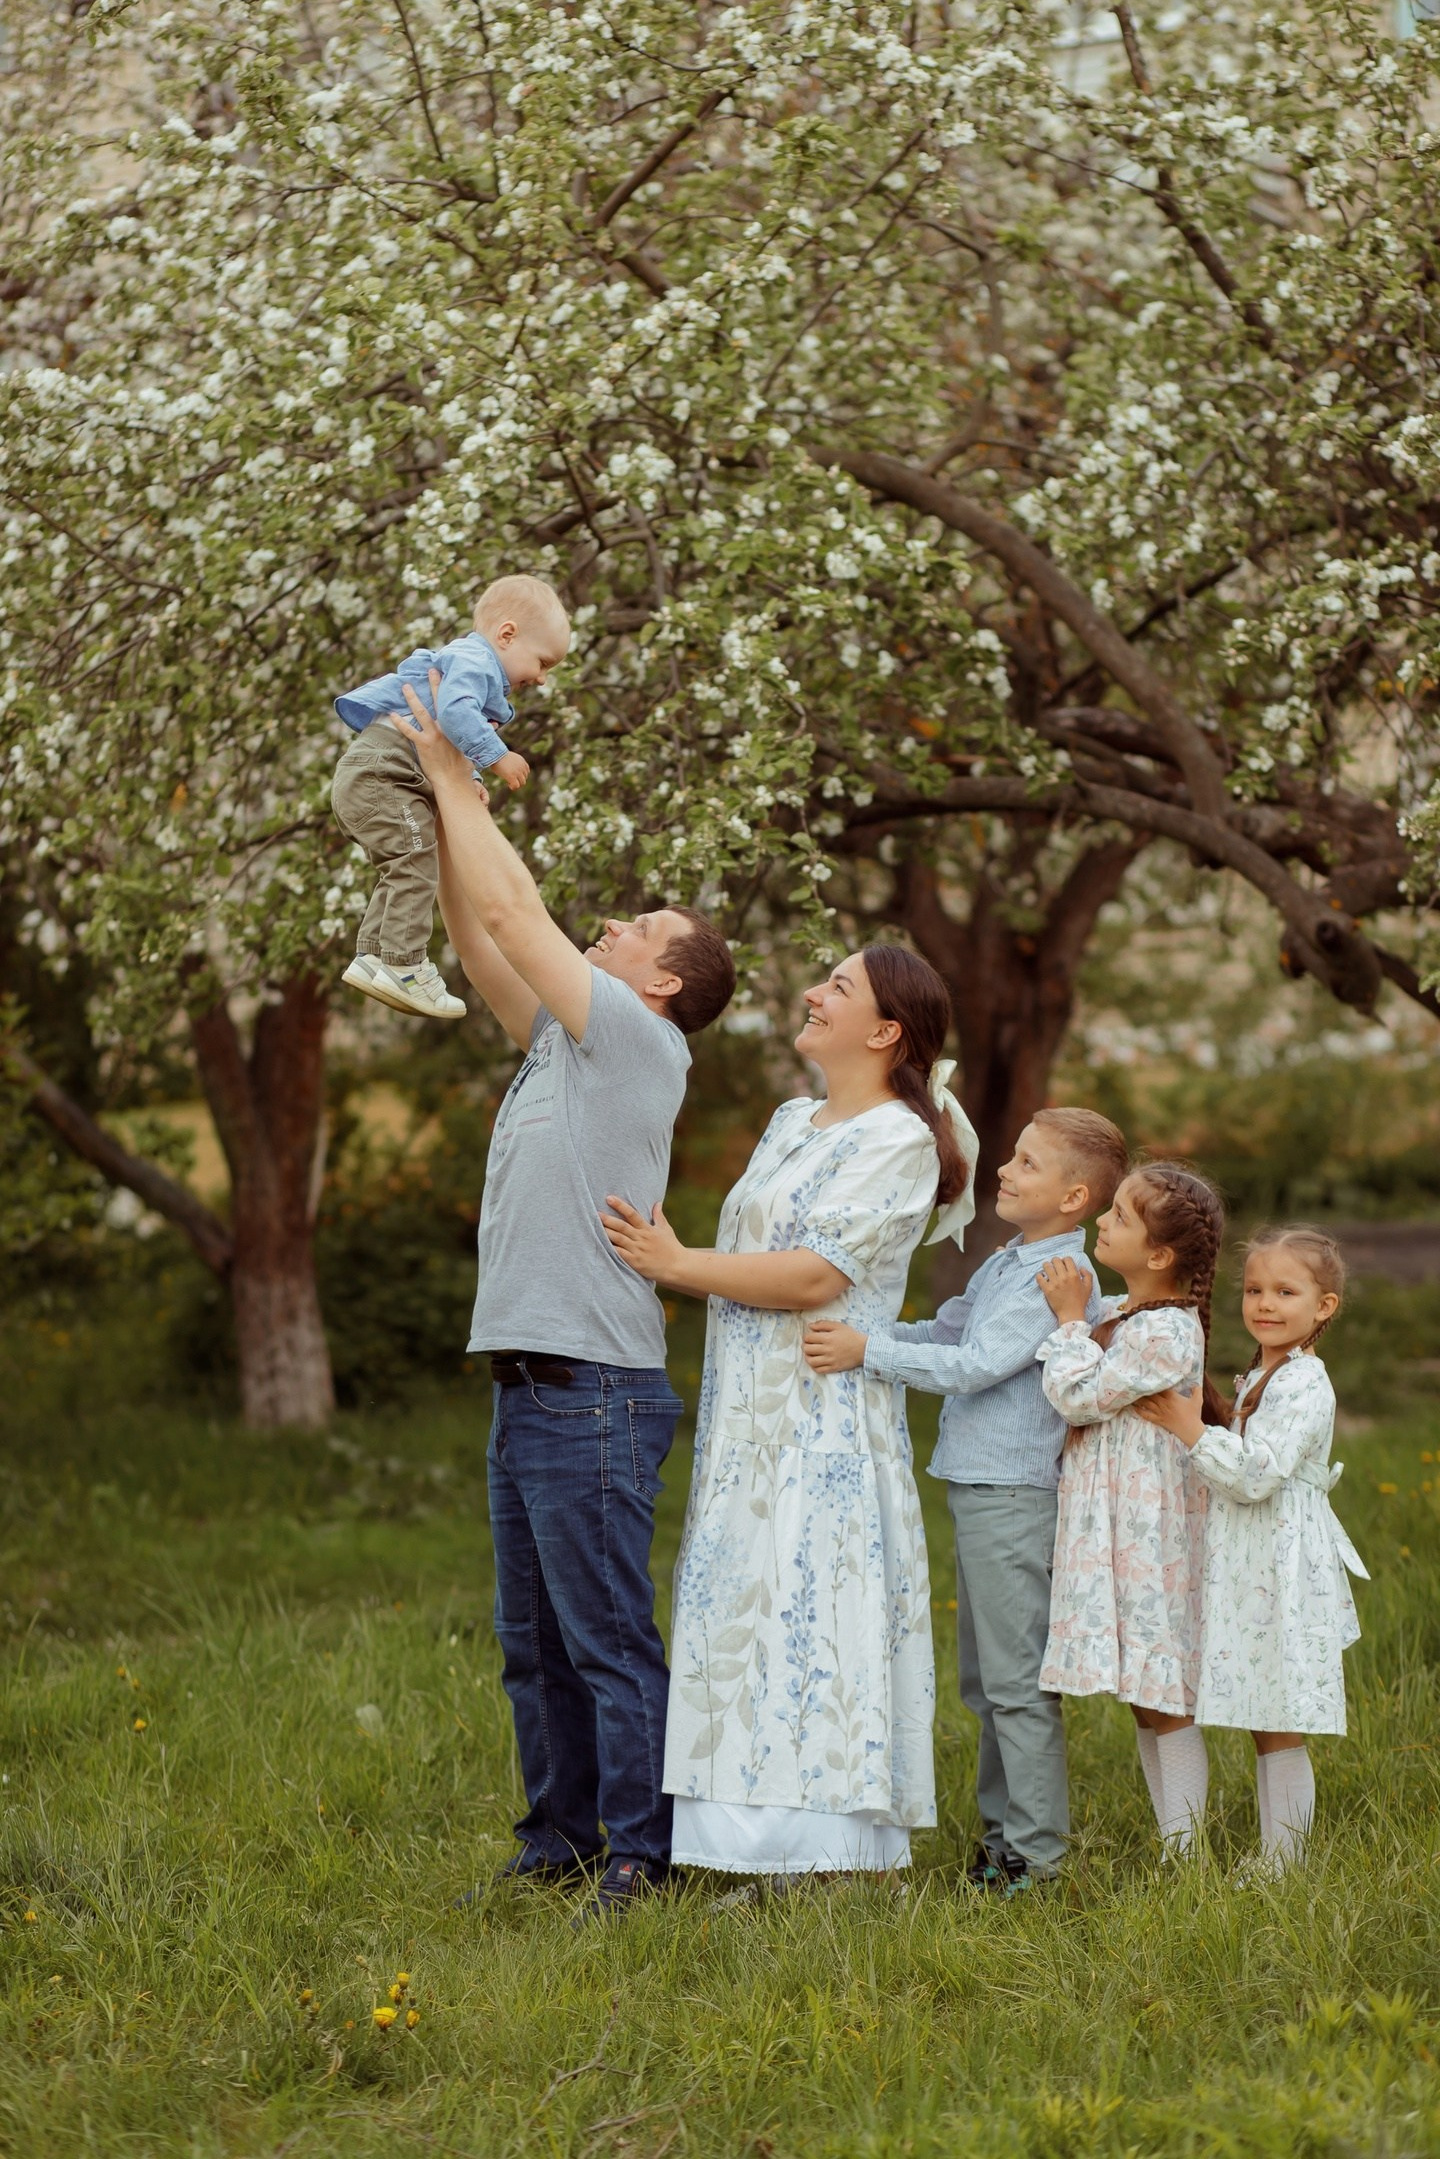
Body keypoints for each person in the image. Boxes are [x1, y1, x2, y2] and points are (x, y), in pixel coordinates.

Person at [386, 673, 735, 1921]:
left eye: (641, 925)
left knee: (604, 1643)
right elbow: (484, 931)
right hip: (529, 1385)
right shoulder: (561, 1043)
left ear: (663, 984)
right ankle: (562, 1842)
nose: (616, 925)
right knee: (535, 1649)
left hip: (591, 1391)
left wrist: (455, 774)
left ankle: (643, 1856)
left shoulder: (643, 1042)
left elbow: (518, 905)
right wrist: (427, 811)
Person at [601, 945, 972, 1885]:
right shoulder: (792, 1118)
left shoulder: (901, 1141)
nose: (814, 992)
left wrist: (672, 1262)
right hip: (745, 1418)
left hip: (826, 1419)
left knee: (810, 1605)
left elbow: (816, 1276)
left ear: (887, 1032)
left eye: (838, 987)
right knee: (740, 1610)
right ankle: (732, 1847)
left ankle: (828, 1851)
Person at [803, 1106, 1128, 1897]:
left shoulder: (1061, 1276)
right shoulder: (1011, 1260)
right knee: (986, 1682)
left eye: (1026, 1163)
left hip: (1015, 1494)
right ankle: (1001, 1840)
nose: (1005, 1170)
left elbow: (979, 1364)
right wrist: (869, 1329)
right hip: (982, 1489)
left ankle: (1038, 1858)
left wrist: (867, 1355)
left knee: (1016, 1683)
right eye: (1012, 1156)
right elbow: (948, 1331)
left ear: (1074, 1197)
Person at [1135, 1226, 1367, 1873]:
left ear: (1323, 1306)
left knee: (1278, 1715)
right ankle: (1269, 1853)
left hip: (1282, 1567)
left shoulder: (1304, 1384)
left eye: (1286, 1291)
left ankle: (1282, 1860)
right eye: (1255, 1289)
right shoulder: (1266, 1373)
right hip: (1251, 1564)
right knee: (1263, 1708)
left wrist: (1189, 1429)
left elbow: (1257, 1473)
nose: (1265, 1303)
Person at [1035, 1163, 1226, 1858]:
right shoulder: (1122, 1314)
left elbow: (1077, 1395)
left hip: (1149, 1535)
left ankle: (1186, 1854)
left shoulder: (1166, 1332)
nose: (1104, 1221)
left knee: (1161, 1691)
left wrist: (1066, 1322)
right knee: (1145, 1696)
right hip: (1115, 1526)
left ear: (1159, 1254)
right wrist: (1086, 1323)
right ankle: (1177, 1843)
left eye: (1119, 1214)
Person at [331, 575, 571, 1019]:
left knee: (403, 865)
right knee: (416, 864)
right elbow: (456, 712)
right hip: (384, 771)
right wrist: (498, 757)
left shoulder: (471, 665)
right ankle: (404, 965)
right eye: (542, 662)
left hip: (382, 772)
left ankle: (374, 957)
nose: (540, 678)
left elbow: (450, 732)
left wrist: (471, 777)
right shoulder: (476, 661)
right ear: (507, 634)